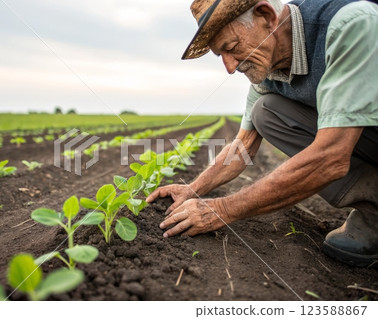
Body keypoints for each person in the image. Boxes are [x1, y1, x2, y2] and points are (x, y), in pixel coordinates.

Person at [146, 0, 378, 267]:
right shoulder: (268, 69)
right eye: (220, 56)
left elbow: (331, 157)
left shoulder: (351, 25)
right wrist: (194, 189)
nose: (230, 67)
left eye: (231, 48)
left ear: (266, 16)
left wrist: (222, 210)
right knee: (265, 111)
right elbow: (242, 148)